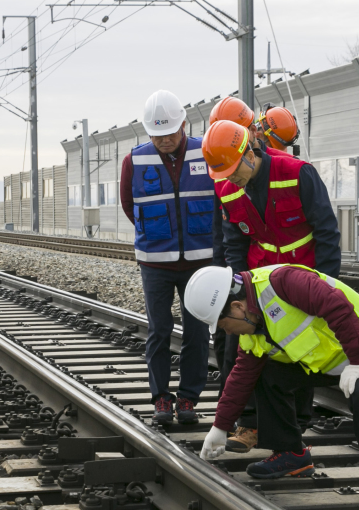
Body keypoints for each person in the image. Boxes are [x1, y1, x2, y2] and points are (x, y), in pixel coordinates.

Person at [186, 264, 359, 500]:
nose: (227, 333)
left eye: (224, 325)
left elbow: (337, 307)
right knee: (262, 373)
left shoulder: (284, 281)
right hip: (331, 362)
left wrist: (358, 360)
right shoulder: (251, 331)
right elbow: (240, 379)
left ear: (238, 307)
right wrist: (220, 426)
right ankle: (291, 453)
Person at [203, 119, 341, 454]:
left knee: (299, 348)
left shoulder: (297, 173)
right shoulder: (227, 187)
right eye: (224, 174)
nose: (231, 179)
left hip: (303, 278)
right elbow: (233, 241)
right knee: (240, 350)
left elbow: (326, 232)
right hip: (257, 283)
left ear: (250, 152)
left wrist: (326, 287)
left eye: (235, 170)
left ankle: (295, 426)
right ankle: (248, 425)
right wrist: (237, 287)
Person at [120, 90, 214, 425]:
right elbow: (131, 207)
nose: (163, 141)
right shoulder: (134, 160)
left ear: (184, 125)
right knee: (159, 330)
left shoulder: (207, 151)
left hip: (201, 263)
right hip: (155, 262)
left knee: (197, 332)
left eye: (170, 134)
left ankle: (188, 399)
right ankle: (161, 398)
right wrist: (161, 233)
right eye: (156, 135)